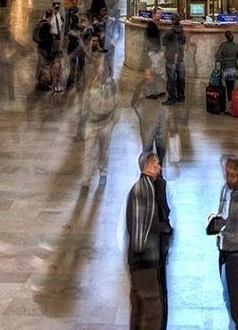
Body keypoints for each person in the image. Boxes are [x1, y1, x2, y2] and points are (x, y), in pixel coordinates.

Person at [126, 151, 172, 330]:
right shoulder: (143, 190)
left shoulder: (144, 187)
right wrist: (165, 228)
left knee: (138, 306)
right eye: (156, 164)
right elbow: (145, 226)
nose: (159, 168)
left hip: (138, 258)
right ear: (148, 167)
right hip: (144, 259)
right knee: (153, 308)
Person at [209, 156, 238, 330]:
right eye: (226, 174)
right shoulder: (227, 190)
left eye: (232, 175)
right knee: (229, 296)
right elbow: (225, 215)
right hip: (225, 251)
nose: (228, 179)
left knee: (236, 300)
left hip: (236, 255)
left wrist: (222, 232)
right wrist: (217, 223)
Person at [78, 56, 119, 192]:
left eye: (104, 68)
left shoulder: (112, 85)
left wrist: (112, 123)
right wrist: (83, 120)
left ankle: (103, 171)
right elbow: (84, 102)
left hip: (106, 123)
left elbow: (117, 106)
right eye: (99, 68)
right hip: (91, 122)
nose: (101, 70)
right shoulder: (90, 84)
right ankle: (86, 179)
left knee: (104, 151)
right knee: (88, 152)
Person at [131, 67, 168, 165]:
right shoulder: (140, 86)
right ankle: (148, 170)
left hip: (159, 120)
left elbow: (165, 97)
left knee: (161, 147)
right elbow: (134, 104)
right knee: (147, 148)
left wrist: (157, 96)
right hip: (146, 122)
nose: (146, 77)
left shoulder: (159, 84)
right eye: (145, 74)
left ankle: (159, 169)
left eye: (149, 75)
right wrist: (140, 100)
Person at [162, 15, 186, 105]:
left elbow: (164, 43)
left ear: (172, 21)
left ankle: (172, 98)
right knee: (181, 79)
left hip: (171, 57)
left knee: (171, 79)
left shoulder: (169, 32)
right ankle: (181, 97)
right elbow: (184, 41)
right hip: (180, 57)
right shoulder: (182, 31)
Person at [215, 30, 238, 105]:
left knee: (228, 86)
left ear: (226, 37)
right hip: (233, 67)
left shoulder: (223, 45)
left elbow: (217, 55)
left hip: (226, 67)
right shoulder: (235, 45)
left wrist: (222, 59)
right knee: (232, 86)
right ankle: (232, 101)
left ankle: (230, 102)